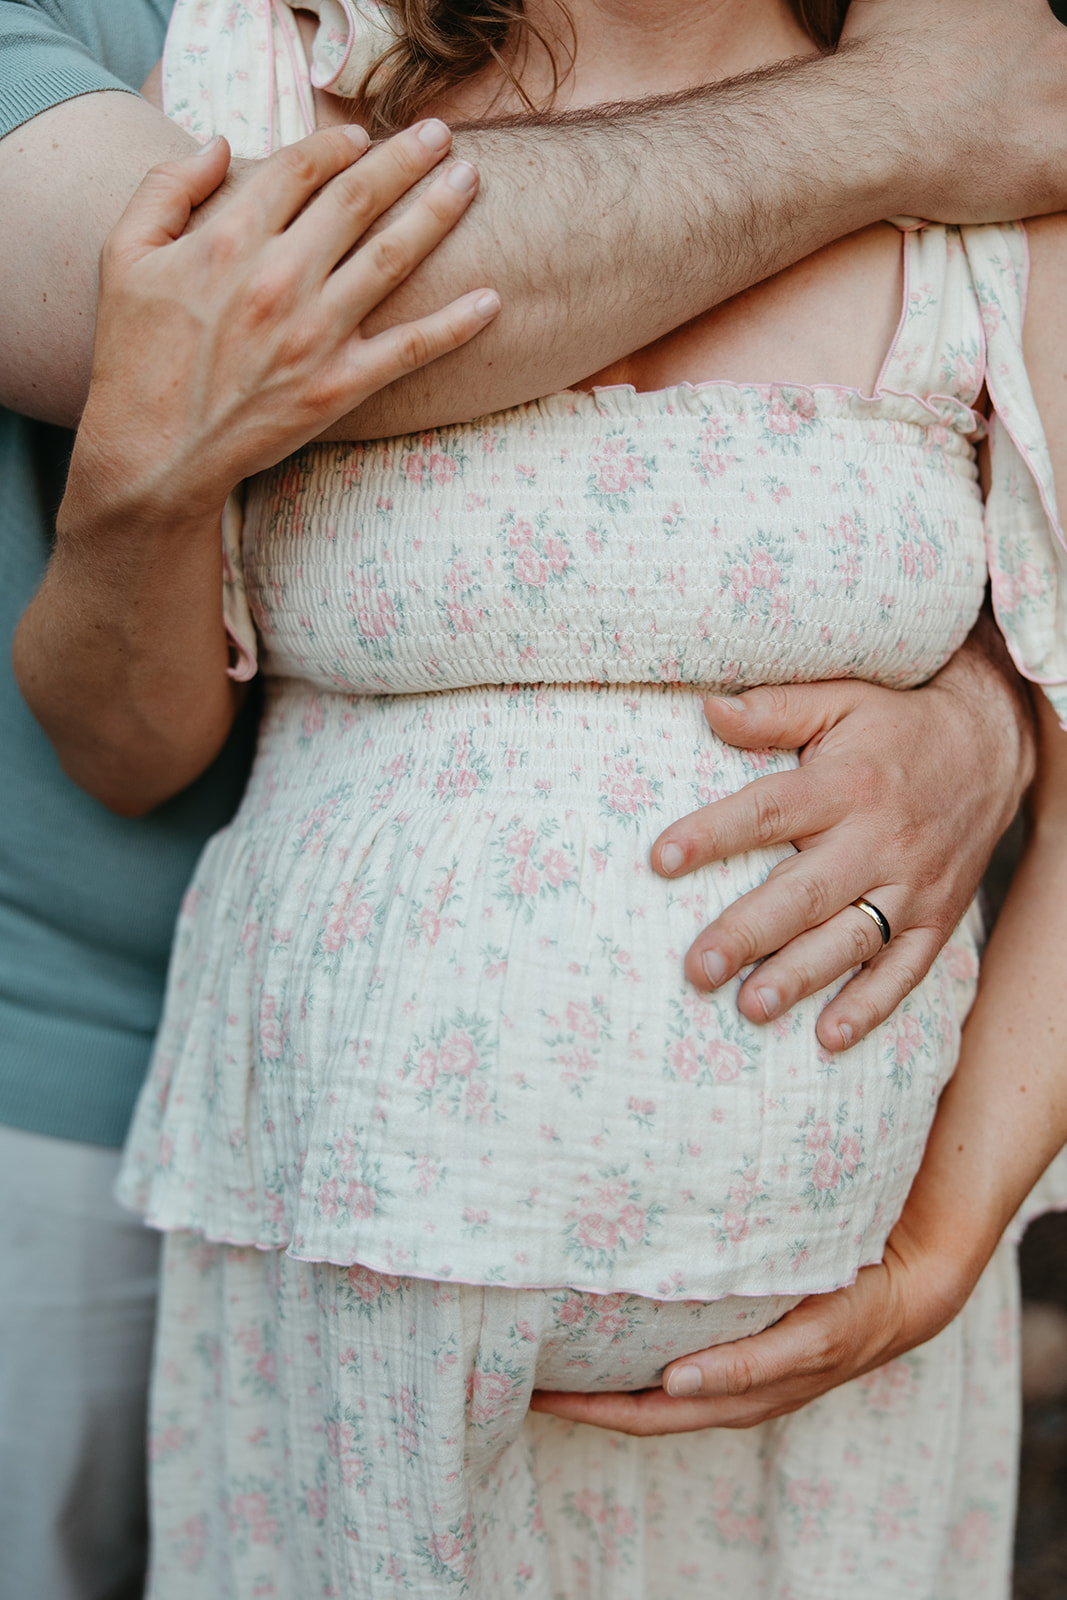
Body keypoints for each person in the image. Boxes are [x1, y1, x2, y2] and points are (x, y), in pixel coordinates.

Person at [3, 1, 1064, 1596]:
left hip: (818, 1392)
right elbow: (132, 742)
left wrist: (940, 1250)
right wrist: (144, 484)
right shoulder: (260, 79)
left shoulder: (1005, 137)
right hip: (338, 1331)